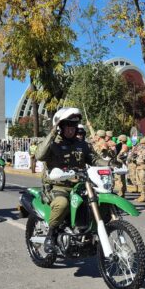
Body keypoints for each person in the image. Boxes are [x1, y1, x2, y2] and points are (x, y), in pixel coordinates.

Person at [33, 108, 100, 254]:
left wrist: (112, 163)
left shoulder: (82, 144)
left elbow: (94, 160)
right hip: (58, 186)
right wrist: (52, 132)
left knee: (97, 200)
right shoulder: (52, 143)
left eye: (73, 126)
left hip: (81, 185)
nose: (71, 129)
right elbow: (39, 155)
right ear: (60, 127)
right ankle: (51, 235)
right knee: (62, 203)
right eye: (67, 125)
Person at [134, 138, 145, 203]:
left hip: (144, 167)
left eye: (143, 143)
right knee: (139, 182)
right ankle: (141, 195)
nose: (142, 145)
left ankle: (144, 195)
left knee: (143, 182)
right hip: (138, 167)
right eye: (141, 143)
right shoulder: (139, 150)